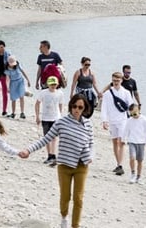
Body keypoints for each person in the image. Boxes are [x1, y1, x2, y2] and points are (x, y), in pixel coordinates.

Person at [19, 94, 94, 228]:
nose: (77, 109)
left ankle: (75, 225)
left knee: (79, 198)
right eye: (74, 106)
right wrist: (28, 150)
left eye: (80, 107)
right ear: (70, 106)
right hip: (65, 165)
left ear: (84, 109)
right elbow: (45, 139)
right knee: (65, 196)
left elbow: (91, 142)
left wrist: (91, 156)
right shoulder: (61, 122)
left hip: (82, 165)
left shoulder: (88, 124)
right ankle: (64, 217)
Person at [99, 71, 133, 176]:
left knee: (121, 142)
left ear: (121, 81)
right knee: (114, 142)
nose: (116, 82)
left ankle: (120, 165)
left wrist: (134, 119)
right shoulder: (107, 94)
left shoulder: (126, 93)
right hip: (112, 120)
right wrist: (104, 120)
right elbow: (103, 108)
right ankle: (118, 163)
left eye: (118, 80)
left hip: (123, 120)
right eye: (114, 80)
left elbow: (131, 106)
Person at [34, 76, 65, 166]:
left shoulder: (60, 93)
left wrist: (60, 116)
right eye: (51, 84)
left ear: (57, 84)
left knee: (54, 138)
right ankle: (49, 155)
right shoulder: (43, 93)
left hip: (56, 118)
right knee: (47, 137)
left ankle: (53, 154)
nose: (53, 86)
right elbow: (37, 103)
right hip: (45, 118)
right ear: (48, 84)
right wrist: (37, 116)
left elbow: (60, 105)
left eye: (54, 84)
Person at [123, 103, 146, 184]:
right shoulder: (129, 120)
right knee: (132, 157)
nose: (133, 116)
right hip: (132, 141)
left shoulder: (144, 119)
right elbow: (126, 130)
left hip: (141, 142)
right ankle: (133, 174)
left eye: (135, 113)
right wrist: (123, 139)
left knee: (140, 160)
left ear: (139, 110)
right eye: (131, 114)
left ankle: (139, 176)